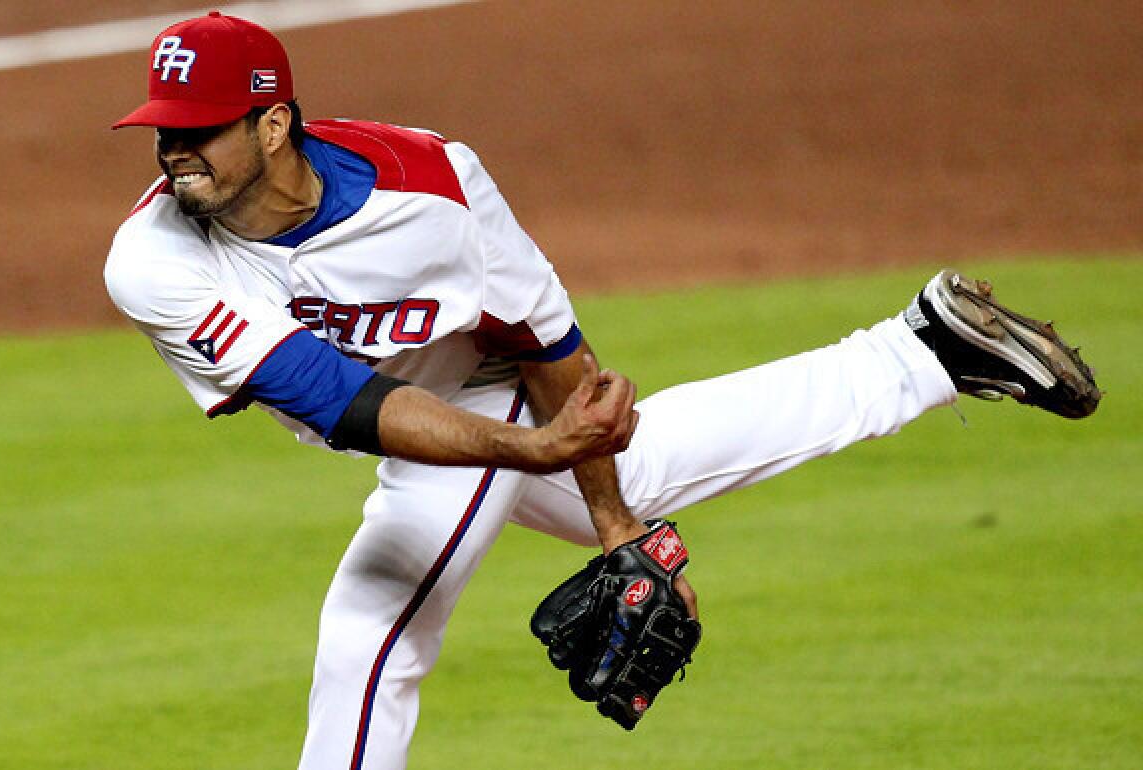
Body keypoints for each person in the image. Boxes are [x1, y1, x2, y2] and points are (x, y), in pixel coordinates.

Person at [105, 12, 1100, 770]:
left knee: (370, 626)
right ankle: (923, 349)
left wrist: (599, 500)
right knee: (650, 459)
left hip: (487, 397)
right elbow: (340, 401)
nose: (173, 150)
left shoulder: (436, 190)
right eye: (163, 129)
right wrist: (598, 498)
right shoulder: (153, 262)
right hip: (416, 416)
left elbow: (548, 350)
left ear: (274, 122)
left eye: (199, 129)